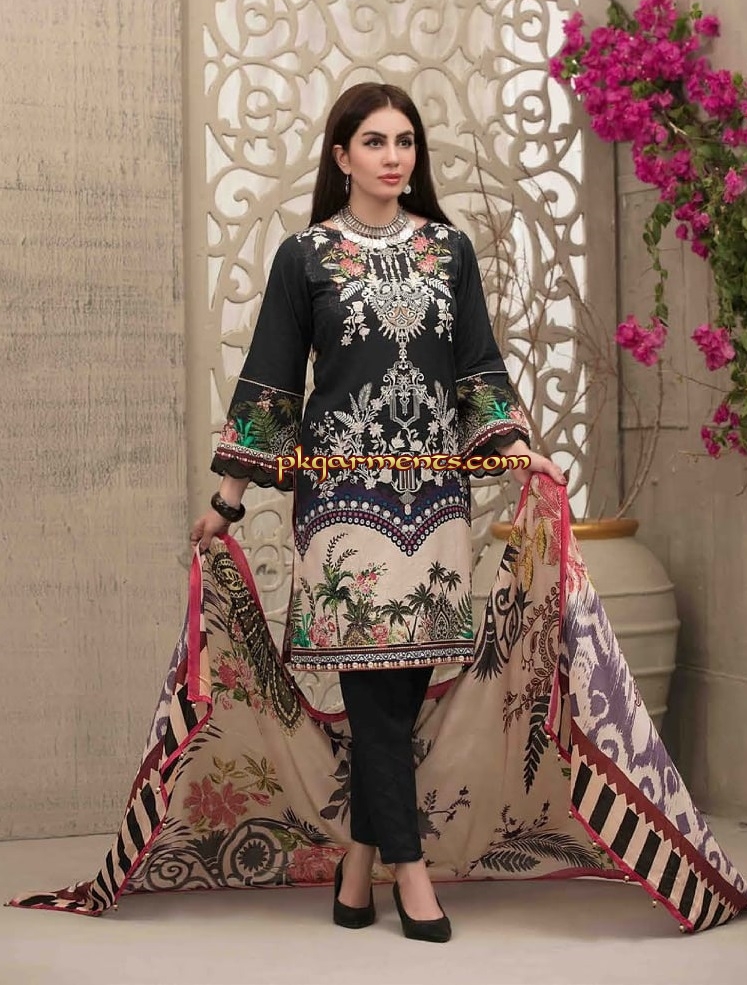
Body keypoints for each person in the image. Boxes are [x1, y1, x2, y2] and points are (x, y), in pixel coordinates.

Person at [190, 82, 567, 942]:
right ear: (341, 156)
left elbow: (477, 367)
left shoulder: (448, 251)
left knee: (400, 692)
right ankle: (412, 871)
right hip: (343, 505)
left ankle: (357, 871)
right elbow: (271, 381)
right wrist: (226, 501)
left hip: (433, 501)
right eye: (374, 141)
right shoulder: (306, 256)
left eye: (404, 142)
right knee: (374, 696)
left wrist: (517, 450)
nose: (393, 157)